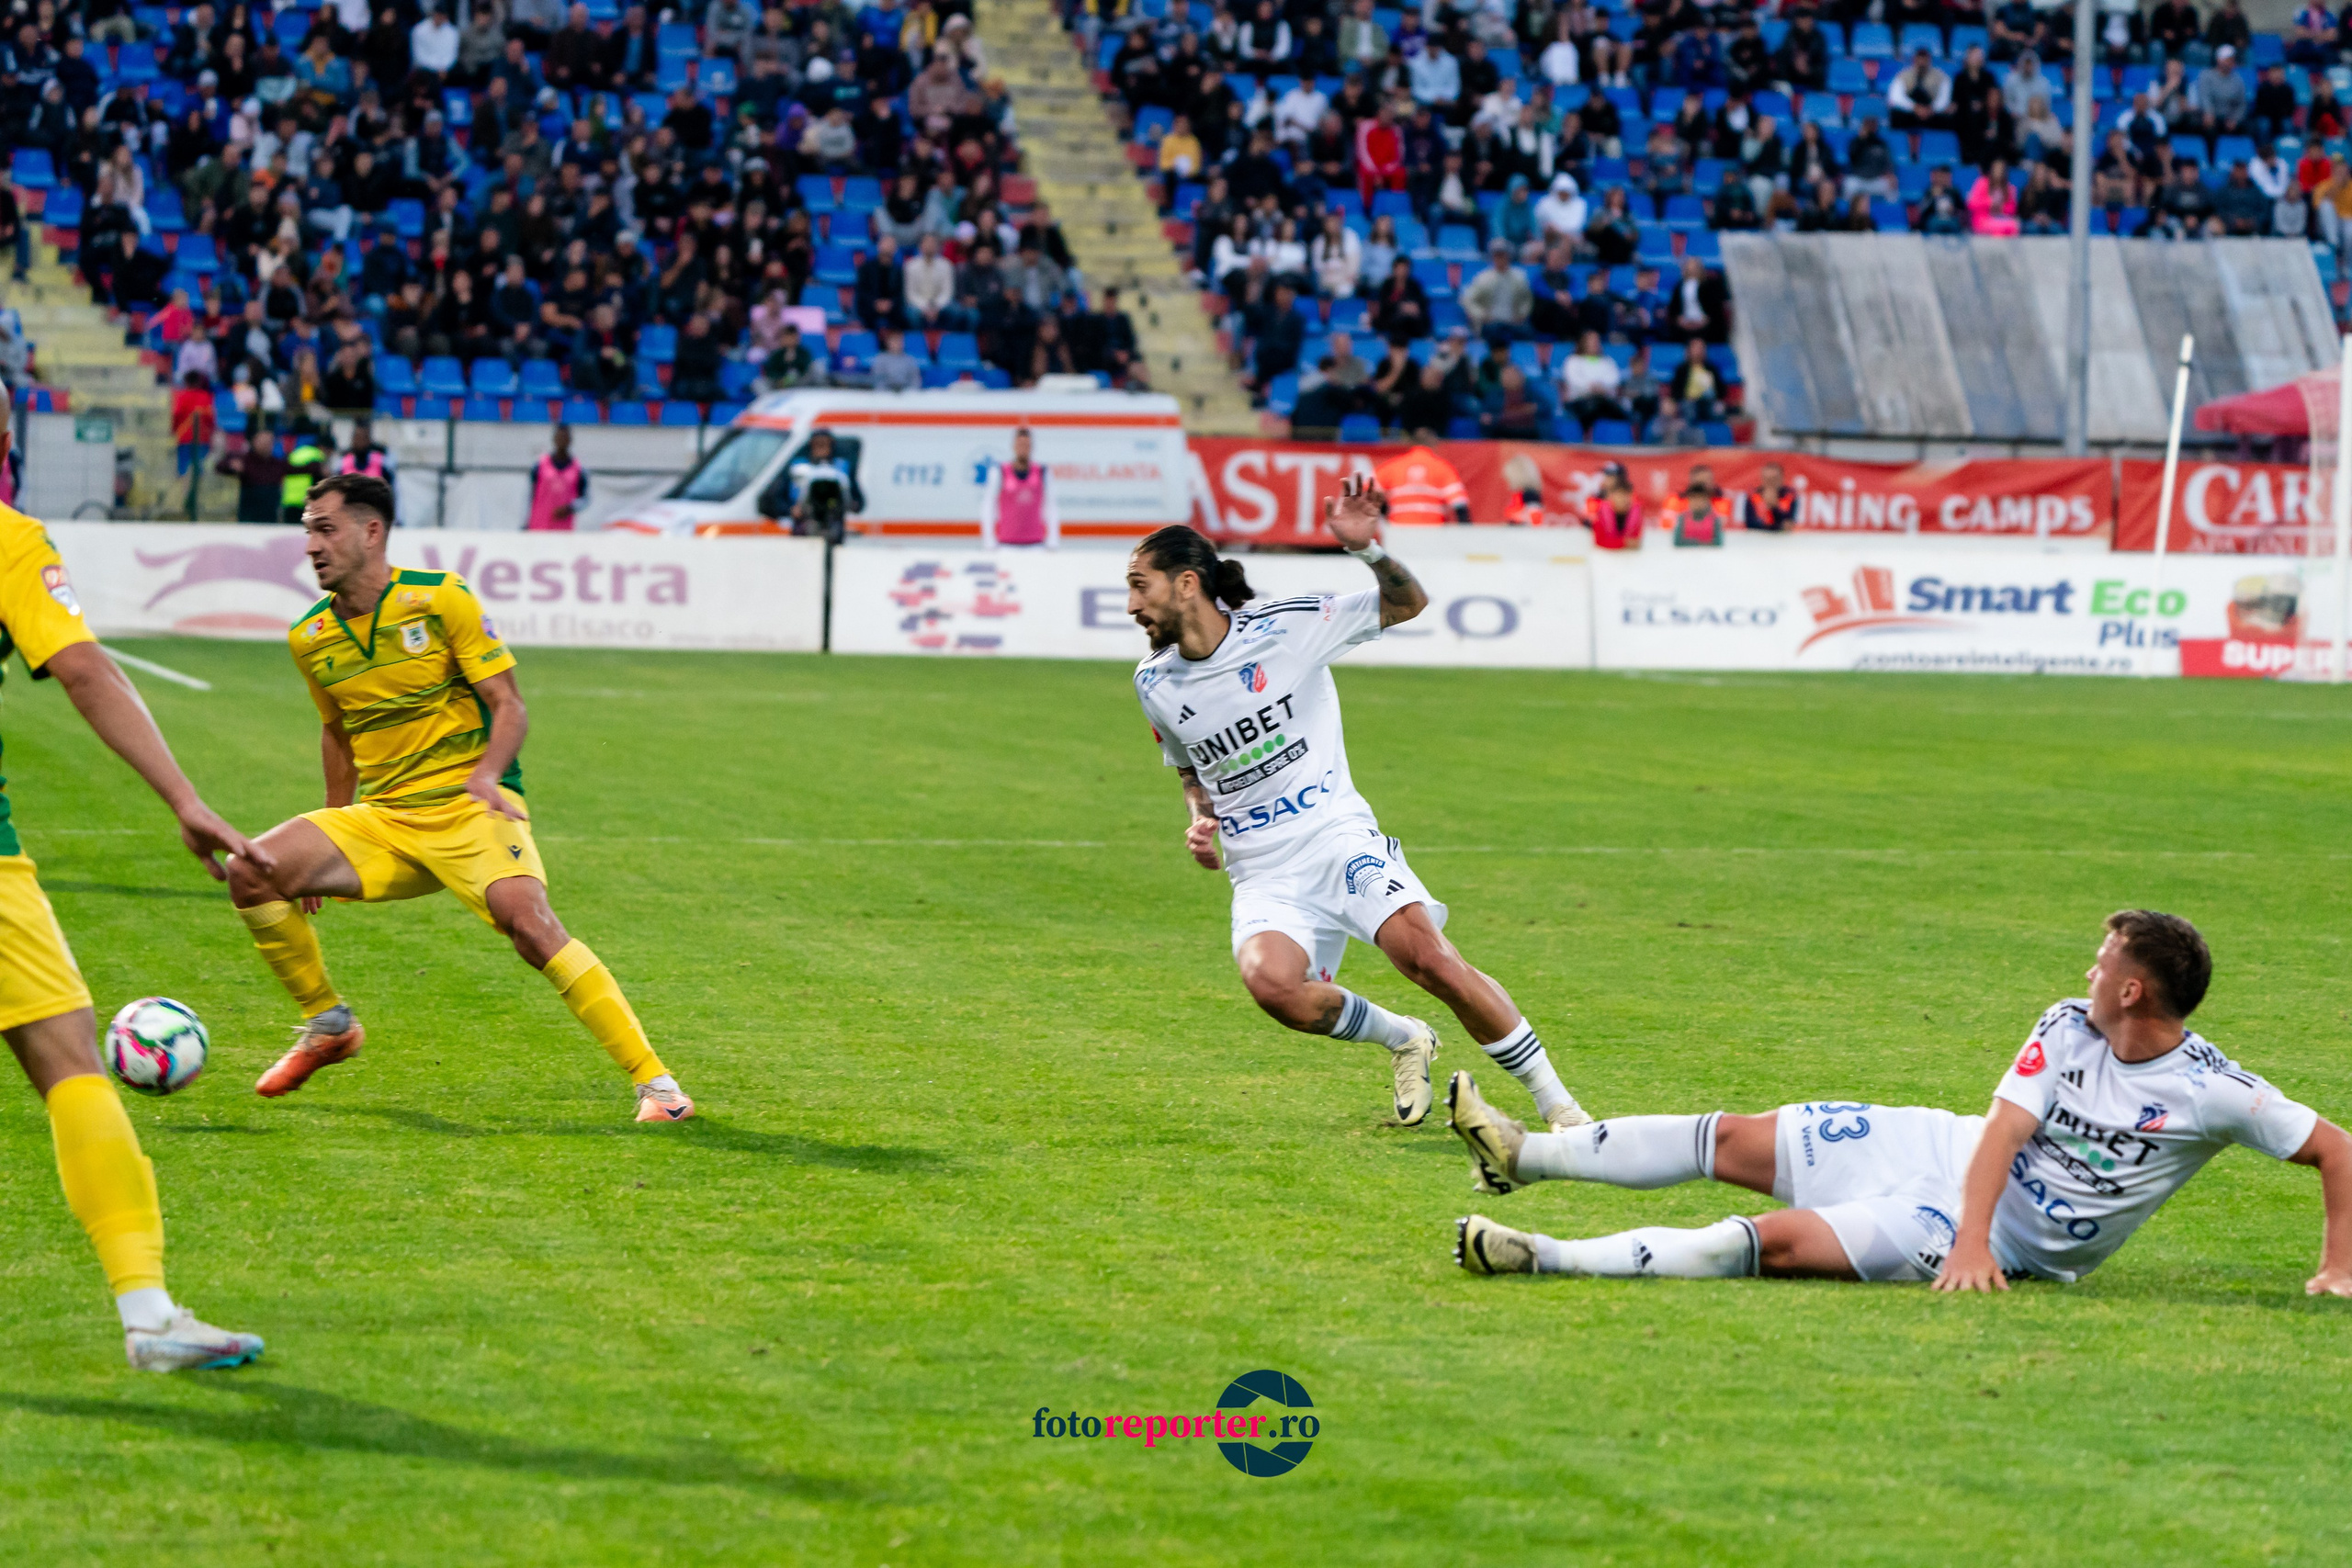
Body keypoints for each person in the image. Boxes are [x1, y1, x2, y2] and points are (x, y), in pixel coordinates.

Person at [1449, 912, 2352, 1299]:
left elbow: (2335, 1149)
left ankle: (1542, 1259)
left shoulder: (2214, 1094)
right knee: (1730, 1137)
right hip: (1942, 1153)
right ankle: (1520, 1155)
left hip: (2004, 1239)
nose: (2088, 970)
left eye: (2102, 963)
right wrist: (1963, 1235)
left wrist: (2336, 1269)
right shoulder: (2067, 1024)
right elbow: (2005, 1128)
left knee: (1763, 1243)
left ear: (2134, 994)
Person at [221, 476, 696, 1123]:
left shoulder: (441, 599)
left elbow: (510, 705)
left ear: (372, 531)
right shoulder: (309, 636)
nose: (311, 545)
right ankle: (327, 1022)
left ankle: (658, 1087)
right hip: (386, 819)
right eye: (307, 529)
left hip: (471, 808)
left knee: (530, 927)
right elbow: (338, 731)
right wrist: (332, 821)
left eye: (325, 528)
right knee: (249, 868)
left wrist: (490, 774)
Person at [1125, 488, 1589, 1134]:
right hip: (1262, 870)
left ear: (1186, 583)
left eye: (1140, 585)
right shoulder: (1154, 683)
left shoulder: (1286, 626)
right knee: (1273, 988)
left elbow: (1407, 602)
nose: (1130, 604)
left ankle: (1559, 1105)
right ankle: (1404, 1036)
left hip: (1336, 835)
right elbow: (1190, 771)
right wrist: (1200, 818)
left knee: (1428, 958)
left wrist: (1367, 549)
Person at [0, 413, 270, 1369]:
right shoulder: (10, 537)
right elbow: (80, 666)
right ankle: (148, 1314)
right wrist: (185, 800)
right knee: (71, 1061)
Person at [978, 426, 1057, 549]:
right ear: (1013, 446)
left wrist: (1053, 539)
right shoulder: (999, 472)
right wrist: (989, 540)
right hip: (1006, 546)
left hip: (1036, 546)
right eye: (1020, 444)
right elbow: (988, 506)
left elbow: (1051, 506)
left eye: (1026, 445)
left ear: (1032, 447)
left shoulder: (1043, 472)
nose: (1023, 449)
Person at [527, 423, 588, 531]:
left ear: (570, 440)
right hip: (539, 526)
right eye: (559, 437)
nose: (562, 441)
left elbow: (585, 498)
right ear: (554, 439)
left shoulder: (578, 469)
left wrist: (570, 508)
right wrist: (525, 522)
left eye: (565, 437)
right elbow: (529, 496)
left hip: (563, 529)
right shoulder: (540, 465)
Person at [336, 417, 398, 490]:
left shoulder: (381, 463)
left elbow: (391, 490)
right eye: (357, 438)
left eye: (364, 438)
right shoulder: (343, 463)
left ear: (369, 440)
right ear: (352, 440)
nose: (360, 442)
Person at [1733, 463, 1797, 531]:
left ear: (1781, 478)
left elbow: (1789, 523)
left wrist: (1774, 507)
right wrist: (1776, 527)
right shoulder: (1753, 496)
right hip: (1758, 538)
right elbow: (1750, 524)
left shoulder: (1790, 496)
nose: (1770, 482)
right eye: (1767, 479)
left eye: (1774, 479)